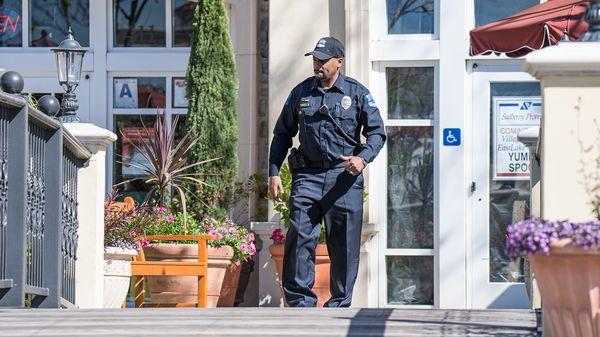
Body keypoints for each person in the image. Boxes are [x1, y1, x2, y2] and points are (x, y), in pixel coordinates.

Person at [268, 37, 386, 307]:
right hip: (307, 176)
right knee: (299, 237)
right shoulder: (301, 93)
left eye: (323, 60)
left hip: (343, 178)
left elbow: (378, 133)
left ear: (339, 62)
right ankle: (300, 304)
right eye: (315, 60)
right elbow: (282, 134)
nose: (317, 65)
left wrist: (363, 159)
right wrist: (274, 172)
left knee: (344, 245)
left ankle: (339, 305)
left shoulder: (356, 93)